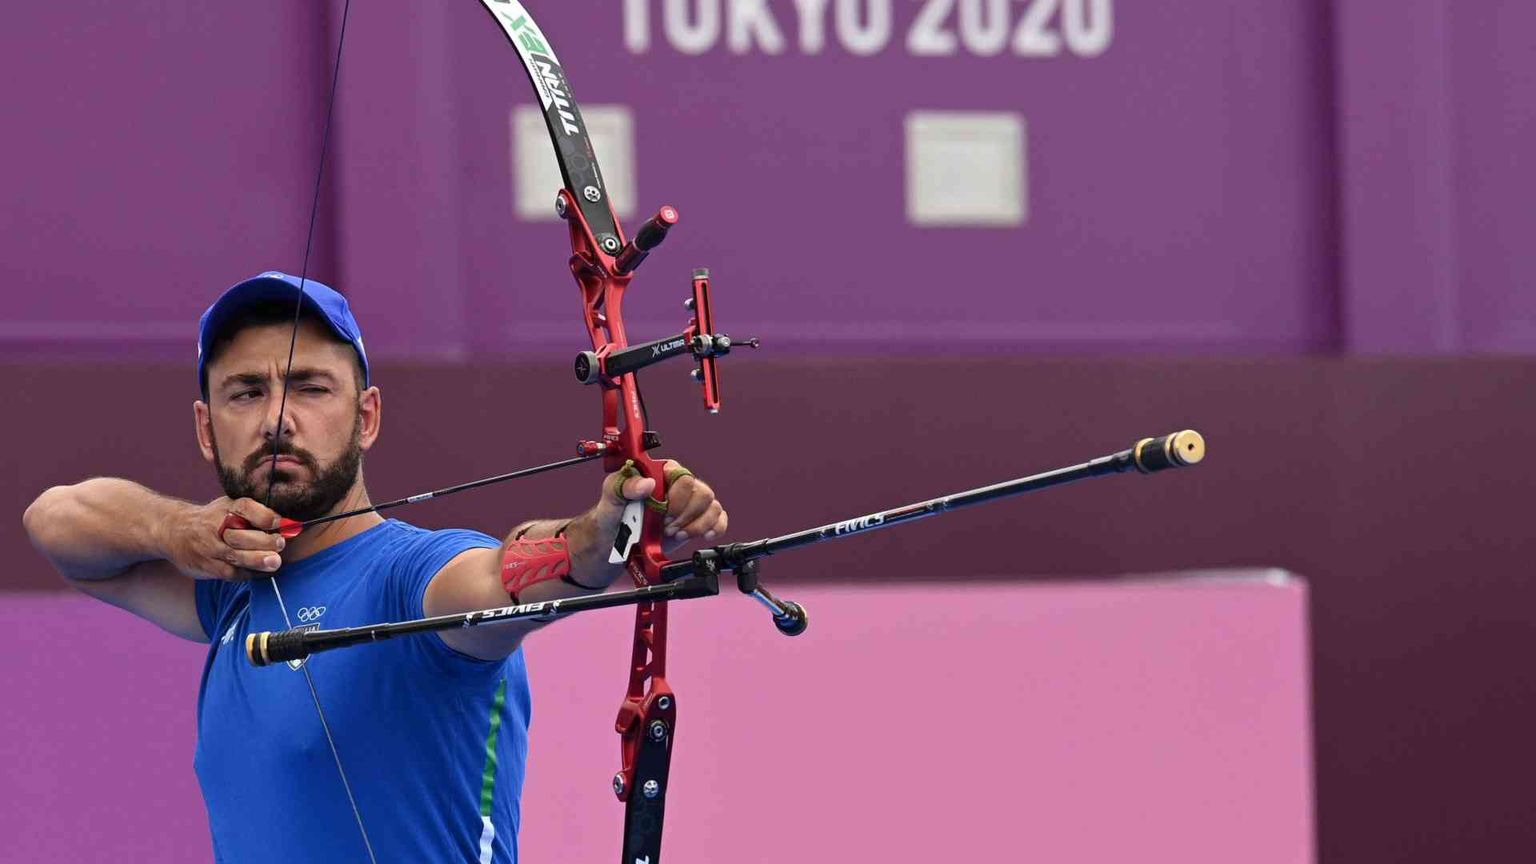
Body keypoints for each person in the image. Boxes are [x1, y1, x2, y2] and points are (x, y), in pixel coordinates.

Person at [21, 271, 728, 864]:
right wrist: (176, 529)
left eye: (310, 388)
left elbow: (507, 576)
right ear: (207, 429)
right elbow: (56, 523)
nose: (277, 420)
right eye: (246, 392)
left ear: (367, 418)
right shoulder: (230, 595)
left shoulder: (411, 574)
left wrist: (605, 532)